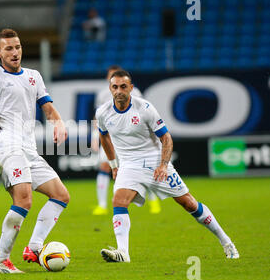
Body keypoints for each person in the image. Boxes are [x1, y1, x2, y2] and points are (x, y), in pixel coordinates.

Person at [96, 69, 239, 262]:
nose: (119, 91)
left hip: (153, 162)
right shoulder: (103, 112)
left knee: (188, 203)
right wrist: (114, 165)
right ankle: (123, 253)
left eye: (123, 86)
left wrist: (163, 165)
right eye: (115, 87)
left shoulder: (145, 108)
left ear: (131, 87)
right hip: (128, 165)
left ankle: (226, 241)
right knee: (119, 201)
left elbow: (166, 137)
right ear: (110, 89)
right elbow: (103, 136)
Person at [0, 29, 70, 274]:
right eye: (8, 48)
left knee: (61, 196)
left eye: (17, 47)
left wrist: (58, 122)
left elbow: (48, 107)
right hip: (7, 145)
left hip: (29, 148)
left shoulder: (34, 76)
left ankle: (34, 246)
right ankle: (0, 262)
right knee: (24, 199)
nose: (15, 52)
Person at [92, 65, 161, 215]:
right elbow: (97, 119)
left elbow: (144, 114)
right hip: (111, 138)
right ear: (109, 81)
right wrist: (94, 137)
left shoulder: (135, 93)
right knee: (105, 167)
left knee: (144, 169)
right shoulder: (103, 95)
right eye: (112, 80)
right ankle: (102, 205)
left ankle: (153, 200)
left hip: (133, 139)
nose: (117, 88)